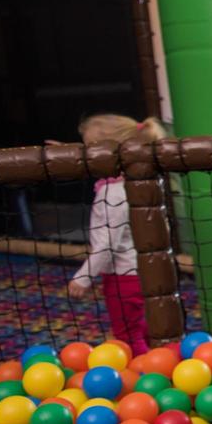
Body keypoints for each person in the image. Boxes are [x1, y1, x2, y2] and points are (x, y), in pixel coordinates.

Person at [67, 114, 167, 354]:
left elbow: (107, 243)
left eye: (90, 148)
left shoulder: (111, 193)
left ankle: (148, 377)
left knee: (127, 335)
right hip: (144, 270)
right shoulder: (135, 180)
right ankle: (161, 362)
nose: (86, 155)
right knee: (142, 327)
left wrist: (83, 277)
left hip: (124, 277)